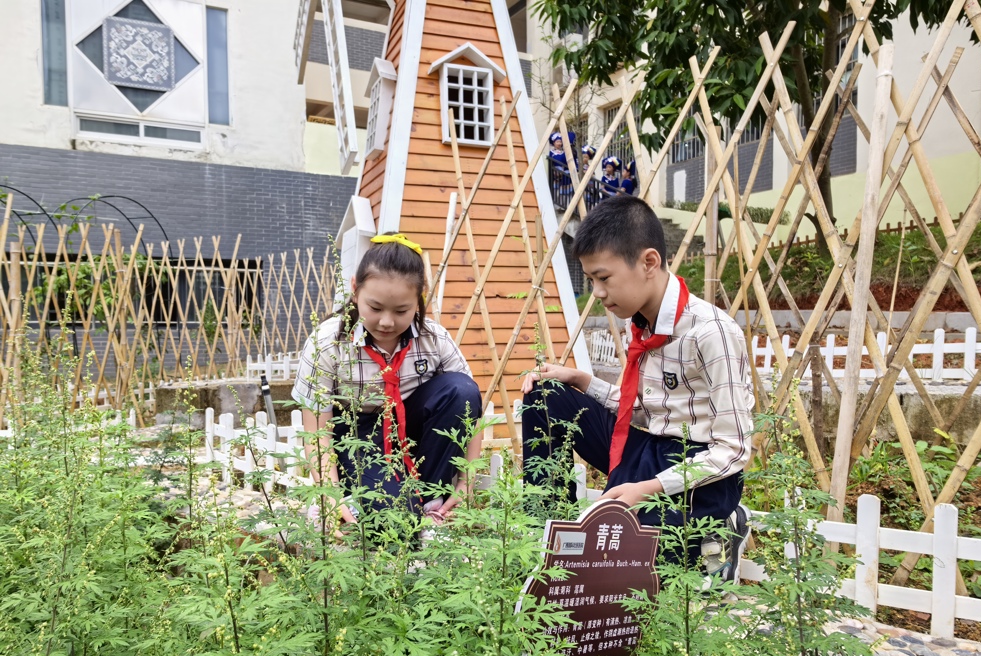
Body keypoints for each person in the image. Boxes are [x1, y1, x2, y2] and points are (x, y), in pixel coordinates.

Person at [520, 196, 753, 578]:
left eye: (603, 278)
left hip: (700, 472)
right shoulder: (642, 324)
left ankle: (721, 529)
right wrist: (579, 380)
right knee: (545, 398)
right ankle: (547, 530)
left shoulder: (711, 333)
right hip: (652, 451)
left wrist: (647, 489)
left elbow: (734, 448)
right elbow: (643, 411)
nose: (596, 292)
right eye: (591, 280)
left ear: (648, 263)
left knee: (632, 571)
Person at [292, 233, 483, 529]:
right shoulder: (328, 344)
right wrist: (330, 494)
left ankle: (432, 498)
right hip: (358, 434)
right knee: (394, 518)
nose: (386, 322)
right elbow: (317, 431)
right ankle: (388, 501)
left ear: (419, 299)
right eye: (375, 308)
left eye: (402, 311)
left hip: (411, 427)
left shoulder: (434, 339)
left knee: (461, 389)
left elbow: (470, 410)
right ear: (355, 290)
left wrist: (466, 485)